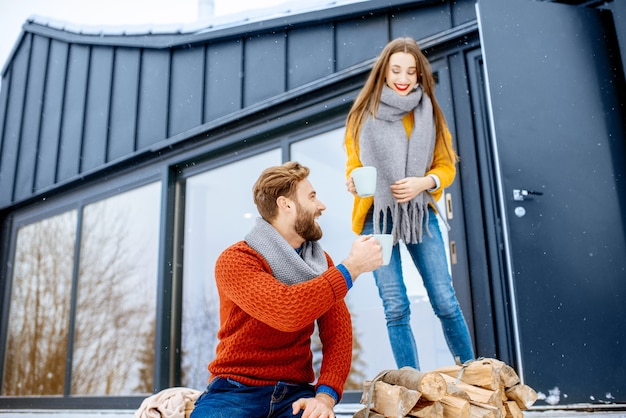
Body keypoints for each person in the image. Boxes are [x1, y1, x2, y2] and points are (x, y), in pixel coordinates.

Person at [191, 161, 383, 418]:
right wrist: (352, 268)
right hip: (234, 392)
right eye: (313, 197)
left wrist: (325, 397)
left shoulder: (319, 262)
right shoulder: (237, 259)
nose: (321, 206)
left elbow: (338, 335)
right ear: (286, 205)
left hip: (296, 396)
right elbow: (287, 312)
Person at [344, 37, 475, 370]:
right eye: (396, 70)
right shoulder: (362, 114)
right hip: (377, 216)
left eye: (411, 72)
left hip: (420, 213)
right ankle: (411, 383)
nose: (403, 79)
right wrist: (353, 181)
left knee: (444, 299)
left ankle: (474, 375)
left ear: (420, 76)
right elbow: (354, 164)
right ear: (384, 72)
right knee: (395, 305)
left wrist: (423, 182)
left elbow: (446, 166)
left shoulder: (429, 113)